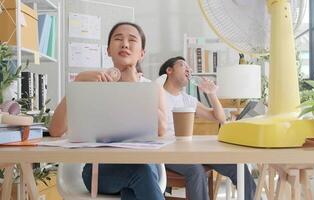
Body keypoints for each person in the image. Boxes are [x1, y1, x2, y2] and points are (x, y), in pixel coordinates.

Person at [49, 22, 166, 200]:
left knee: (134, 186)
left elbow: (161, 130)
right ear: (108, 50)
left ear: (142, 53)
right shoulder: (91, 84)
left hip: (146, 165)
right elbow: (56, 130)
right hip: (99, 171)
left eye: (132, 40)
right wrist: (77, 85)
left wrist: (133, 88)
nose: (125, 44)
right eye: (118, 39)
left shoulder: (150, 88)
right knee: (139, 173)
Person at [158, 56, 256, 200]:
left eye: (189, 67)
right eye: (182, 65)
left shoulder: (187, 99)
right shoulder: (157, 94)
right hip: (166, 151)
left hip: (188, 149)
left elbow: (220, 118)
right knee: (196, 170)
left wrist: (212, 94)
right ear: (169, 70)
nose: (188, 69)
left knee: (237, 166)